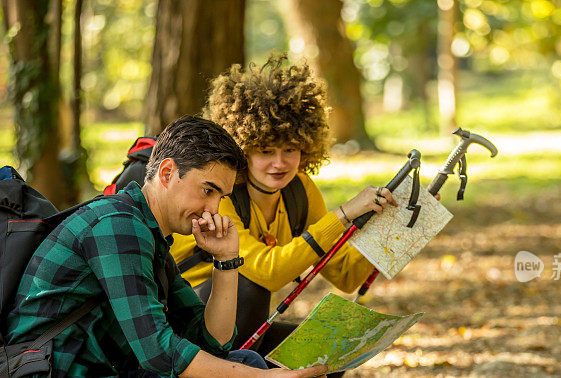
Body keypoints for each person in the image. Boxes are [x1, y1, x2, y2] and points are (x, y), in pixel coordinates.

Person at [6, 115, 468, 378]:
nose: (213, 208)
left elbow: (214, 342)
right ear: (166, 172)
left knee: (243, 367)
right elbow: (160, 351)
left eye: (222, 196)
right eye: (207, 191)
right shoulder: (116, 226)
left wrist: (226, 262)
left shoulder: (149, 232)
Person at [170, 57, 396, 362]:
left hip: (240, 328)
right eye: (265, 151)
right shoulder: (219, 194)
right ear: (242, 148)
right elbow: (268, 273)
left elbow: (345, 276)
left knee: (326, 354)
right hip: (180, 327)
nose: (280, 163)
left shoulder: (299, 191)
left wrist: (392, 232)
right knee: (249, 286)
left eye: (290, 149)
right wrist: (343, 215)